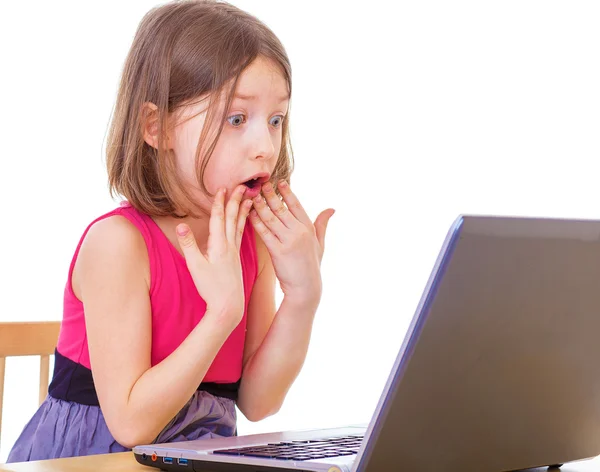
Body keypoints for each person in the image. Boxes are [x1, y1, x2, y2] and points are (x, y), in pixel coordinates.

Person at [7, 0, 334, 462]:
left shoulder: (248, 242)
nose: (265, 146)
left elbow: (259, 403)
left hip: (192, 460)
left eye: (276, 120)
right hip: (93, 460)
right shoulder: (119, 245)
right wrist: (220, 313)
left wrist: (303, 295)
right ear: (156, 127)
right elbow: (131, 424)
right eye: (236, 119)